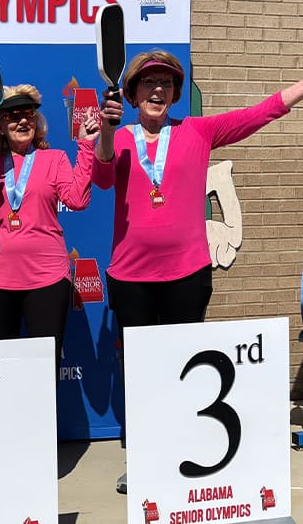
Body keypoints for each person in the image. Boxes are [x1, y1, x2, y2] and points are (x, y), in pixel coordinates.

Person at [93, 49, 303, 493]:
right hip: (131, 278)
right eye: (148, 83)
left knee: (185, 371)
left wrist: (300, 89)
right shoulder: (119, 135)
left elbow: (256, 114)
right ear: (131, 93)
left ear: (175, 93)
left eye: (165, 84)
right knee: (143, 376)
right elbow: (103, 175)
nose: (157, 90)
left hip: (187, 275)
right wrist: (107, 132)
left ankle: (184, 455)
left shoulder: (198, 130)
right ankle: (149, 461)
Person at [0, 85, 98, 370]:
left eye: (28, 113)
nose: (22, 120)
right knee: (5, 370)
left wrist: (86, 147)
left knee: (43, 369)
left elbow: (77, 200)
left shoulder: (55, 158)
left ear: (37, 121)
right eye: (12, 115)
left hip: (47, 279)